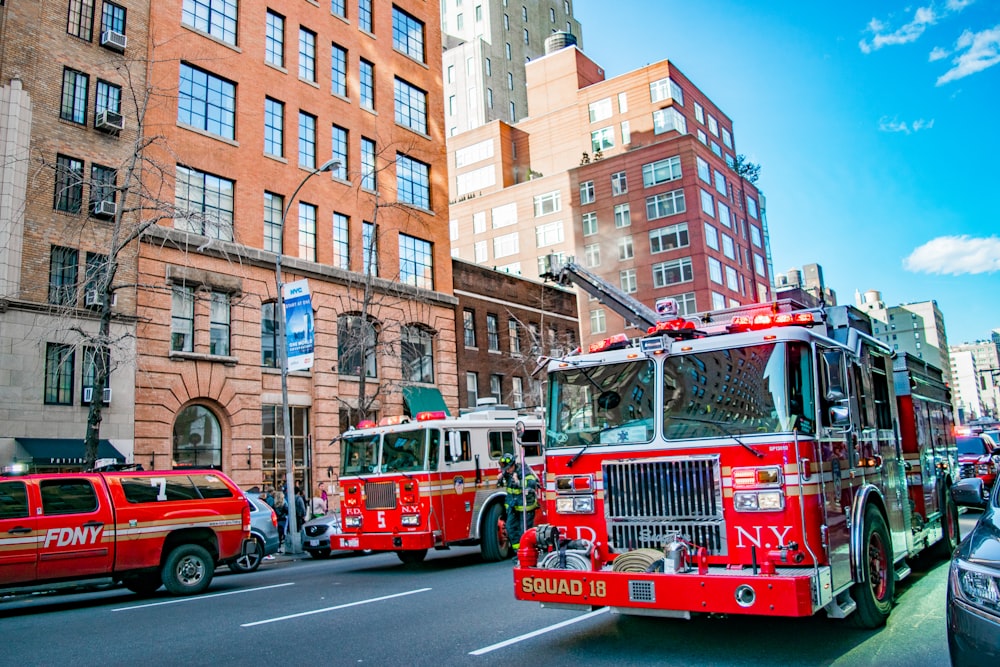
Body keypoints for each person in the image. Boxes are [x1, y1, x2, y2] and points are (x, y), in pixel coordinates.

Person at [498, 453, 539, 561]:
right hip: (514, 506)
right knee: (510, 528)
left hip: (526, 507)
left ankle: (528, 554)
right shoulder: (507, 472)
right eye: (505, 469)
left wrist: (518, 481)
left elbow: (532, 483)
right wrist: (501, 478)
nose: (507, 471)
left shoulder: (523, 470)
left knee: (524, 531)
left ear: (513, 465)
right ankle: (519, 552)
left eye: (508, 468)